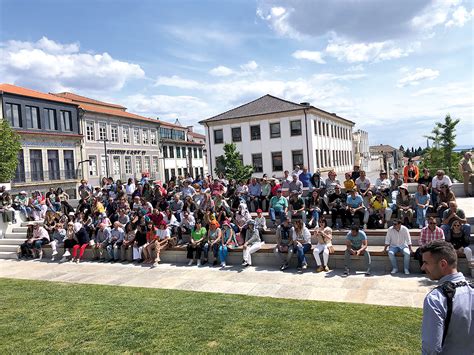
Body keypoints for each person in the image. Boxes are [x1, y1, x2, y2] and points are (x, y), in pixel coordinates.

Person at [420, 240, 474, 354]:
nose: (422, 267)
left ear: (443, 264)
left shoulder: (436, 299)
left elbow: (431, 348)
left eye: (426, 263)